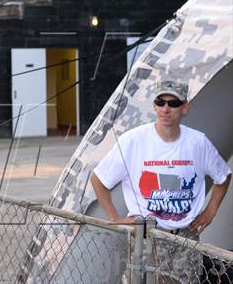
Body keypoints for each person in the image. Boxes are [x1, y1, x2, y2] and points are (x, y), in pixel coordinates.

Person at [90, 80, 231, 281]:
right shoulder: (133, 140)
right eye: (160, 102)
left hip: (185, 237)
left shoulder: (198, 142)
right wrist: (114, 218)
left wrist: (211, 210)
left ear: (185, 107)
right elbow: (98, 179)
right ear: (154, 105)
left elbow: (223, 176)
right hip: (148, 235)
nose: (166, 109)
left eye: (173, 103)